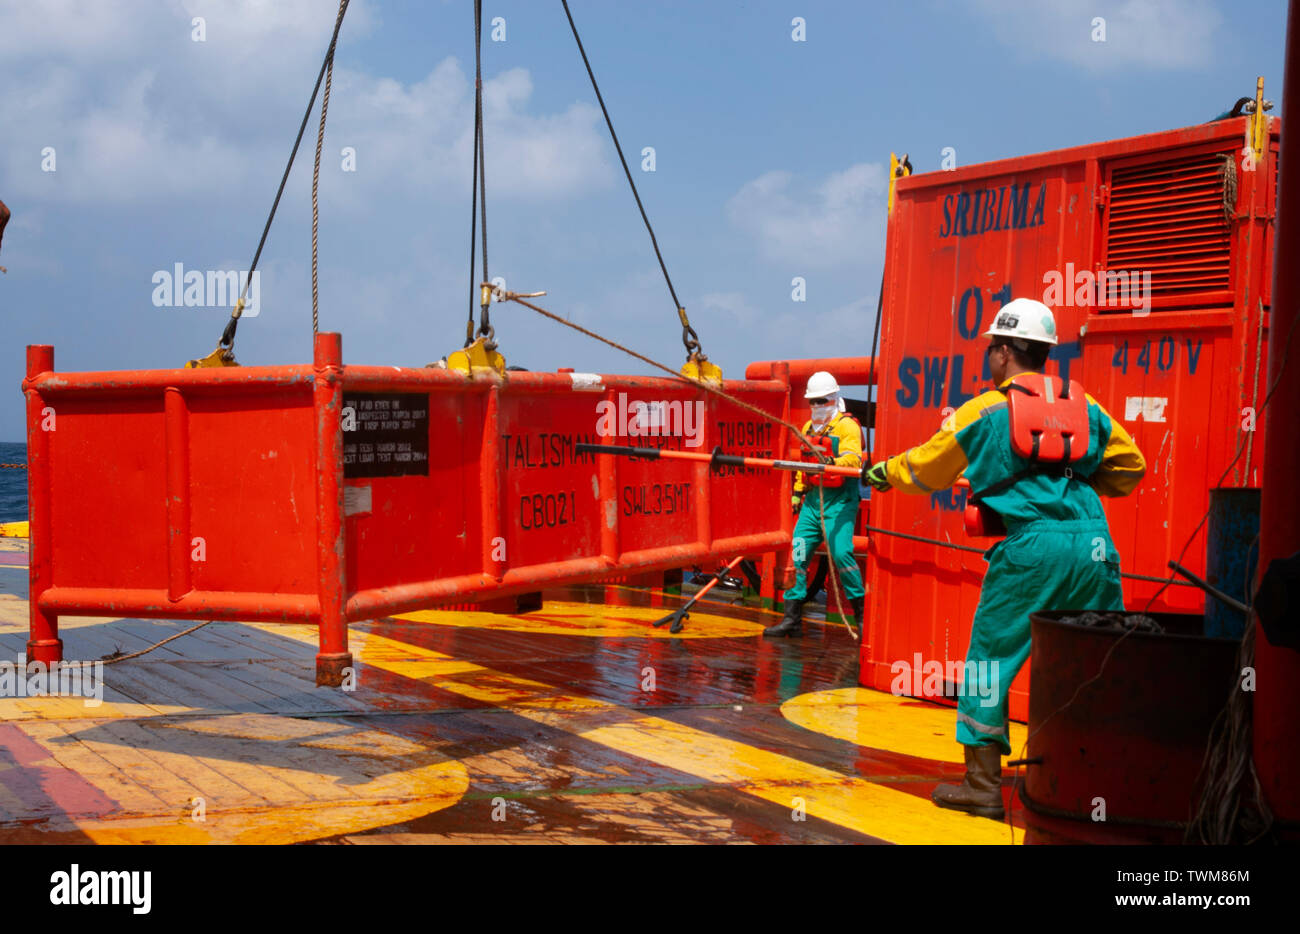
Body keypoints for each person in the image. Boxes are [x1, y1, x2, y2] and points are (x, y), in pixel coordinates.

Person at [863, 298, 1145, 818]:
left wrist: (883, 472)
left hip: (1032, 548)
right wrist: (1074, 482)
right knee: (1097, 657)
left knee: (989, 663)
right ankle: (1098, 782)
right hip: (1093, 543)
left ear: (1003, 352)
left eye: (991, 347)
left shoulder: (985, 409)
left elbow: (929, 469)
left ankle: (983, 787)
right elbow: (1132, 468)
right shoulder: (1088, 408)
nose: (988, 356)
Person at [765, 371, 866, 637]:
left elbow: (854, 460)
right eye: (813, 401)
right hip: (812, 501)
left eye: (822, 400)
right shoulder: (809, 429)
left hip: (840, 501)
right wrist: (798, 491)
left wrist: (831, 463)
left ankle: (862, 619)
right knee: (797, 552)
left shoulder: (848, 427)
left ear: (834, 398)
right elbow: (803, 466)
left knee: (842, 553)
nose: (817, 406)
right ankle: (792, 619)